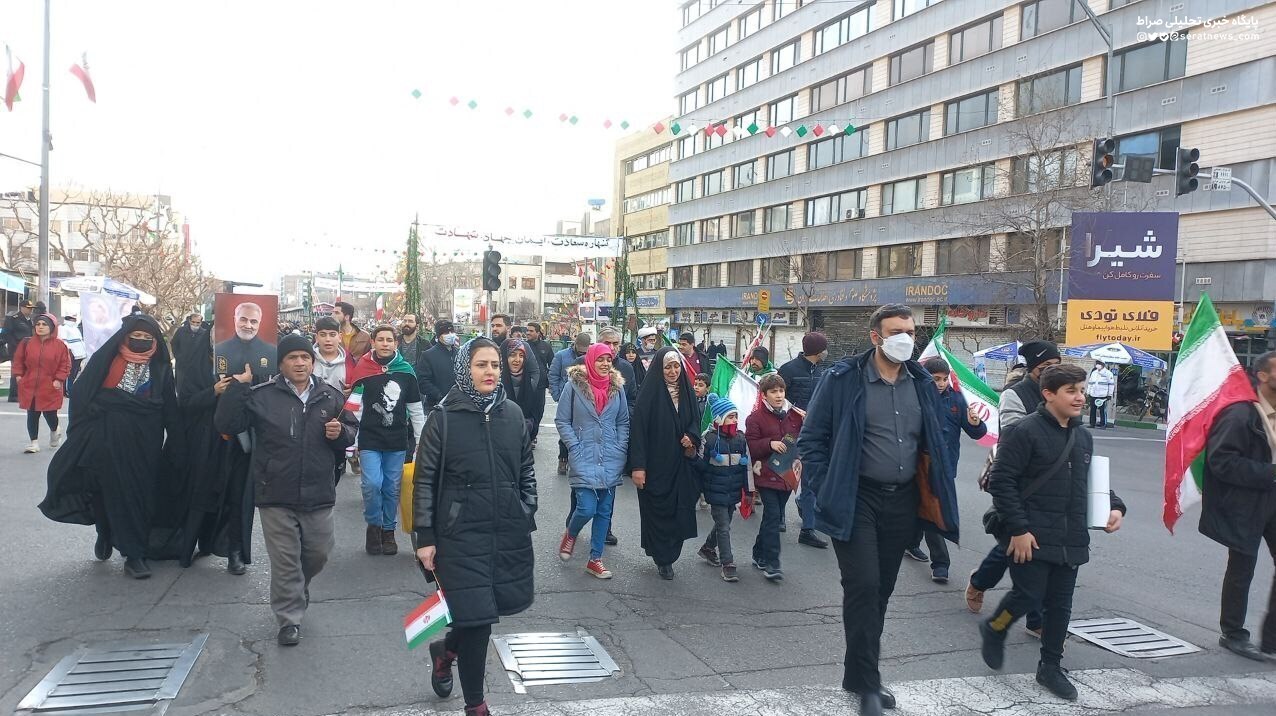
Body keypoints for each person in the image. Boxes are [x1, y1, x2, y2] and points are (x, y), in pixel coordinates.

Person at [797, 304, 958, 716]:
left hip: (903, 501)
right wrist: (824, 486)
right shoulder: (842, 379)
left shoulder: (921, 381)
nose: (907, 337)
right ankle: (869, 682)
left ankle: (857, 672)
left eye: (911, 330)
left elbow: (934, 440)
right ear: (876, 337)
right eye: (897, 331)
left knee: (881, 589)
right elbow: (812, 439)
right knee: (864, 586)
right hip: (856, 498)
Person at [979, 364, 1126, 701]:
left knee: (1060, 606)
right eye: (1071, 391)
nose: (1080, 397)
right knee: (1028, 595)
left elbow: (1092, 481)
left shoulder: (1082, 436)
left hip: (1069, 538)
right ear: (1048, 394)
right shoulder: (1025, 432)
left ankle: (1050, 667)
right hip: (1030, 535)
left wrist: (1115, 507)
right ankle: (995, 627)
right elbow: (1001, 482)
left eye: (1081, 389)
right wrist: (1018, 529)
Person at [414, 338, 536, 716]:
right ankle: (476, 706)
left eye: (495, 365)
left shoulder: (512, 414)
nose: (490, 372)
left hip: (505, 531)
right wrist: (425, 537)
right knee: (479, 621)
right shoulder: (443, 418)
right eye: (481, 365)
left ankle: (446, 650)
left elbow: (526, 469)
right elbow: (424, 481)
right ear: (465, 369)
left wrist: (526, 507)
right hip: (459, 536)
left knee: (478, 614)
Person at [215, 334, 357, 645]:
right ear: (281, 364)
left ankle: (297, 588)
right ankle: (289, 619)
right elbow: (227, 423)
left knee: (318, 554)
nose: (300, 363)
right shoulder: (261, 395)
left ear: (312, 361)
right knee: (284, 560)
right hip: (275, 492)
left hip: (319, 492)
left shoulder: (329, 395)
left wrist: (341, 433)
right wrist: (237, 387)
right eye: (293, 358)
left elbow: (350, 431)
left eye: (305, 358)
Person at [41, 314, 179, 580]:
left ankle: (133, 548)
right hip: (108, 438)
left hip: (145, 443)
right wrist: (98, 407)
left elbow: (169, 408)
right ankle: (118, 543)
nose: (140, 343)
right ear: (124, 338)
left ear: (155, 342)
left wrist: (178, 443)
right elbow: (82, 392)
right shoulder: (107, 360)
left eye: (146, 339)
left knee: (141, 495)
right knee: (110, 490)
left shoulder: (160, 368)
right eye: (134, 338)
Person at [965, 340, 1060, 630]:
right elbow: (1015, 436)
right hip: (1021, 480)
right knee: (1014, 545)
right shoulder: (1015, 395)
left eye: (1057, 366)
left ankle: (1037, 619)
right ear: (1032, 369)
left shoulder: (1064, 392)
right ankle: (981, 582)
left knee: (1041, 551)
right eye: (1045, 368)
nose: (1052, 372)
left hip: (1055, 483)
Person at [1200, 350, 1276, 662]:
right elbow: (1221, 461)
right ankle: (1232, 633)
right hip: (1245, 502)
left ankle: (1271, 640)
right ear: (1263, 376)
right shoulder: (1240, 414)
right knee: (1242, 566)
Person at [171, 318, 254, 574]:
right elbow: (184, 402)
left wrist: (243, 385)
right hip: (204, 443)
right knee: (201, 493)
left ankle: (234, 552)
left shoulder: (253, 364)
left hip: (238, 442)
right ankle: (188, 547)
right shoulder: (195, 364)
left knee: (237, 496)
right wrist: (213, 392)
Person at [346, 325, 426, 557]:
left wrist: (421, 439)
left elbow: (416, 408)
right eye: (380, 339)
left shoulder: (406, 370)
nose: (385, 343)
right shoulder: (363, 369)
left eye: (389, 340)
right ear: (373, 342)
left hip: (397, 439)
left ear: (395, 343)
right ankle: (374, 525)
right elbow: (354, 407)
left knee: (391, 488)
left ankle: (388, 531)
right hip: (370, 438)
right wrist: (353, 439)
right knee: (371, 485)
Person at [905, 358, 987, 584]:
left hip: (945, 465)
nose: (941, 383)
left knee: (933, 509)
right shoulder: (915, 397)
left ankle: (933, 558)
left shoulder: (957, 400)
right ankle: (923, 551)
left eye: (944, 379)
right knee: (922, 506)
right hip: (917, 462)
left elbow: (977, 434)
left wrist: (975, 423)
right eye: (935, 379)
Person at [556, 342, 629, 579]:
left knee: (604, 511)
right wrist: (574, 446)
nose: (605, 363)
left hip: (610, 456)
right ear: (590, 360)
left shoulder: (617, 389)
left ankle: (595, 559)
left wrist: (620, 446)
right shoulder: (573, 386)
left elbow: (623, 421)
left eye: (608, 360)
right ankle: (571, 533)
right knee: (586, 507)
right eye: (601, 359)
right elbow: (562, 420)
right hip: (583, 454)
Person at [630, 348, 701, 579]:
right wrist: (638, 467)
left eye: (676, 366)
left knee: (680, 509)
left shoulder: (687, 392)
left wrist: (691, 436)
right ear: (659, 369)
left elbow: (695, 421)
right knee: (657, 511)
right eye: (667, 367)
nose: (672, 371)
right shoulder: (648, 395)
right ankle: (662, 558)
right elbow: (638, 432)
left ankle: (671, 554)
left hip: (680, 464)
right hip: (655, 465)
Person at [746, 374, 803, 581]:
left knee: (774, 515)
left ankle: (758, 552)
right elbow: (751, 445)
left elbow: (798, 440)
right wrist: (769, 443)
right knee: (772, 516)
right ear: (764, 395)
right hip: (766, 474)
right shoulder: (755, 418)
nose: (778, 395)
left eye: (781, 391)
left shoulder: (793, 416)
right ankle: (772, 563)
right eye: (773, 391)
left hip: (787, 474)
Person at [779, 331, 831, 549]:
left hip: (814, 435)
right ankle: (778, 514)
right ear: (819, 351)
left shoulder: (823, 372)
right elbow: (777, 398)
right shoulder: (788, 370)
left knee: (810, 479)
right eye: (825, 348)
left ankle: (808, 528)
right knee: (783, 475)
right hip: (789, 432)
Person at [694, 394, 749, 582]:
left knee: (723, 524)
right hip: (715, 491)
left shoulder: (741, 439)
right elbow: (700, 465)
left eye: (735, 416)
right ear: (719, 418)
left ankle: (708, 548)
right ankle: (728, 564)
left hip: (733, 491)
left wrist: (748, 490)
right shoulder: (708, 439)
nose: (734, 420)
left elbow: (745, 467)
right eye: (730, 416)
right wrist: (694, 456)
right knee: (724, 526)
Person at [13, 314, 71, 453]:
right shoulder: (27, 342)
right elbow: (18, 360)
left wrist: (58, 379)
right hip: (30, 385)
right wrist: (19, 376)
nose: (40, 327)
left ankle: (54, 430)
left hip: (50, 385)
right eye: (38, 324)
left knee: (50, 414)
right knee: (32, 413)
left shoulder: (60, 345)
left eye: (44, 324)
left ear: (52, 327)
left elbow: (65, 365)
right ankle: (34, 442)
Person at [550, 333, 592, 475]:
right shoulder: (561, 356)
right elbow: (553, 375)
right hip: (566, 397)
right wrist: (557, 395)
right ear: (574, 344)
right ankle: (563, 458)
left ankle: (580, 460)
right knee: (565, 430)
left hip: (585, 399)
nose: (582, 353)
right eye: (580, 350)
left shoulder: (592, 357)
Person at [215, 302, 275, 383]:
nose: (248, 326)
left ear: (259, 323)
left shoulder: (272, 352)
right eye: (243, 320)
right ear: (235, 320)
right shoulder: (219, 350)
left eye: (253, 321)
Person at [501, 338, 546, 445]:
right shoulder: (496, 384)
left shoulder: (529, 384)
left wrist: (527, 426)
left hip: (524, 441)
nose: (517, 360)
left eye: (521, 356)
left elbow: (535, 414)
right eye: (512, 355)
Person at [419, 320, 461, 407]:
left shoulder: (460, 353)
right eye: (446, 332)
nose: (450, 335)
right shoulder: (428, 355)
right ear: (438, 335)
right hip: (436, 406)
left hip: (459, 404)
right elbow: (422, 382)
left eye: (452, 331)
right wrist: (439, 396)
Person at [4, 299, 35, 402]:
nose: (30, 310)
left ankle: (22, 393)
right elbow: (7, 334)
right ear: (22, 307)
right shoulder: (13, 318)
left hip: (28, 350)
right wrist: (15, 346)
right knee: (16, 372)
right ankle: (13, 395)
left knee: (26, 371)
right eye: (28, 308)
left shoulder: (29, 320)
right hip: (16, 349)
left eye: (31, 309)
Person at [312, 316, 353, 392]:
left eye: (332, 335)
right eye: (323, 335)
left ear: (340, 337)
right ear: (316, 338)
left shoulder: (349, 361)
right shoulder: (308, 358)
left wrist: (352, 391)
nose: (328, 339)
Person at [60, 315, 88, 391]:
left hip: (80, 354)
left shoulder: (75, 328)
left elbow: (80, 340)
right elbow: (64, 341)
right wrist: (69, 351)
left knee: (75, 373)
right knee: (70, 373)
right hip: (72, 354)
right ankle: (68, 389)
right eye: (72, 319)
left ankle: (71, 387)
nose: (74, 321)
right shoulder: (63, 328)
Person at [526, 322, 556, 389]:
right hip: (526, 384)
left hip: (541, 384)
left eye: (531, 331)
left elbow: (552, 365)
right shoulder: (522, 346)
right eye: (527, 330)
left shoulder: (546, 346)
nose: (528, 333)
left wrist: (550, 382)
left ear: (538, 333)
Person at [1086, 361, 1116, 429]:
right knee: (1093, 410)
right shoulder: (1094, 373)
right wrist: (1088, 392)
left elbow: (1111, 385)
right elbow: (1090, 383)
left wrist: (1109, 394)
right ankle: (1092, 423)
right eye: (1097, 364)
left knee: (1102, 410)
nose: (1098, 365)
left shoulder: (1108, 373)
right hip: (1093, 394)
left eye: (1099, 364)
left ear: (1103, 365)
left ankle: (1103, 424)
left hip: (1102, 395)